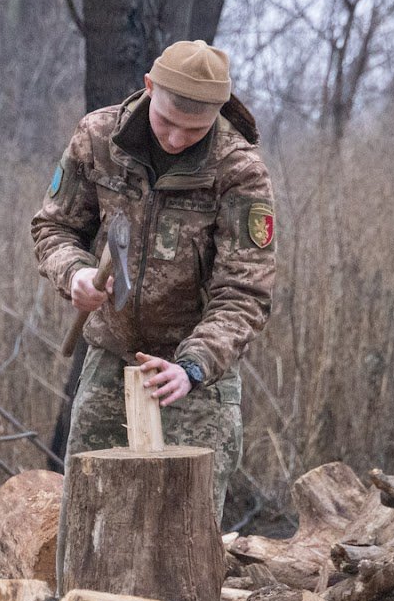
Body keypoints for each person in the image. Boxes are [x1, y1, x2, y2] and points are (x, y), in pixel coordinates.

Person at [32, 39, 276, 516]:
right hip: (112, 357)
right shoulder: (99, 138)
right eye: (167, 121)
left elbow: (244, 291)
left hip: (197, 374)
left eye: (194, 128)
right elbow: (53, 226)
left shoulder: (239, 169)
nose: (177, 139)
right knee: (90, 519)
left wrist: (193, 366)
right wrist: (75, 273)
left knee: (185, 531)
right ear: (148, 87)